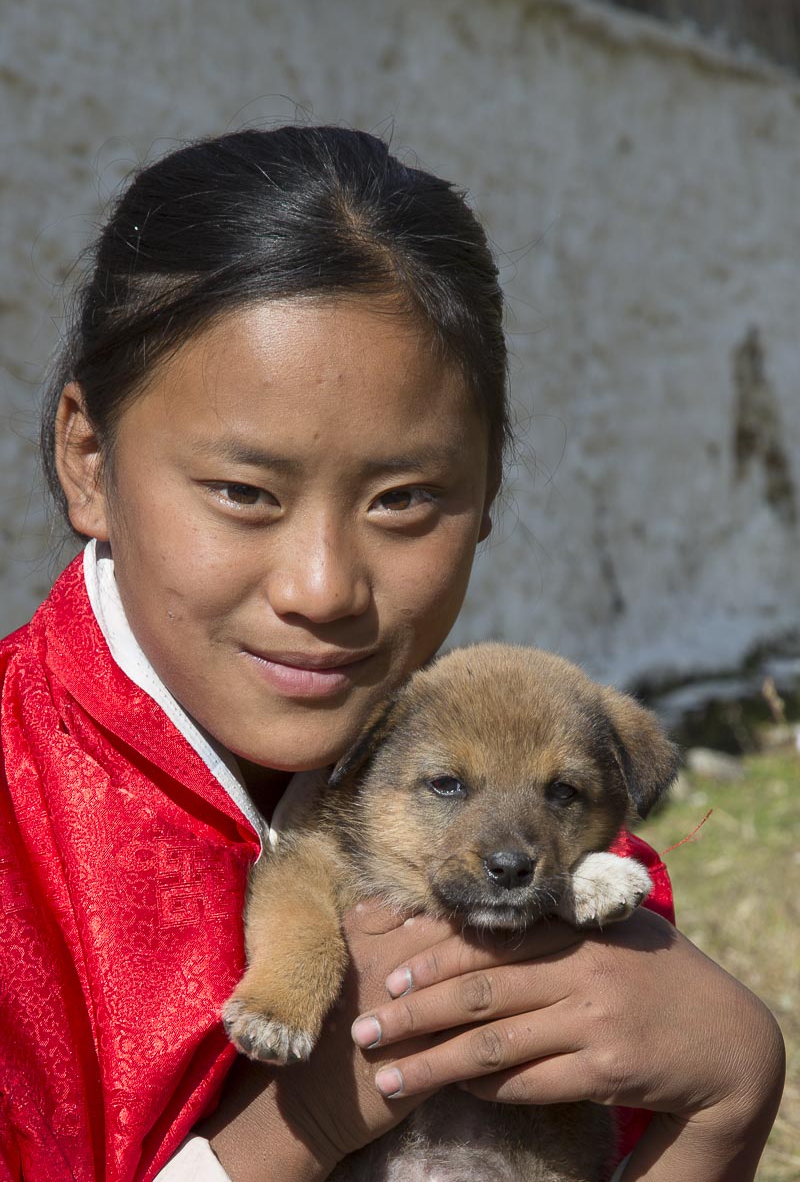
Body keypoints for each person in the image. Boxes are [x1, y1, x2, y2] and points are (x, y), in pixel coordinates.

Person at [0, 126, 784, 1182]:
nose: (321, 587)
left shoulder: (562, 850)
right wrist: (299, 1126)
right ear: (88, 459)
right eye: (243, 493)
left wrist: (727, 1100)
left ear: (486, 498)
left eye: (404, 498)